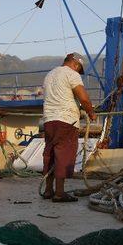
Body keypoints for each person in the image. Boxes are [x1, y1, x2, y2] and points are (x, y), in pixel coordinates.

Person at [42, 53, 96, 202]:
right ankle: (60, 193)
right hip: (66, 121)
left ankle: (48, 190)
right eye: (79, 69)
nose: (79, 72)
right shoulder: (72, 74)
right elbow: (83, 97)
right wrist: (91, 112)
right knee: (63, 156)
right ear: (76, 65)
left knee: (50, 154)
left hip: (49, 120)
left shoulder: (50, 74)